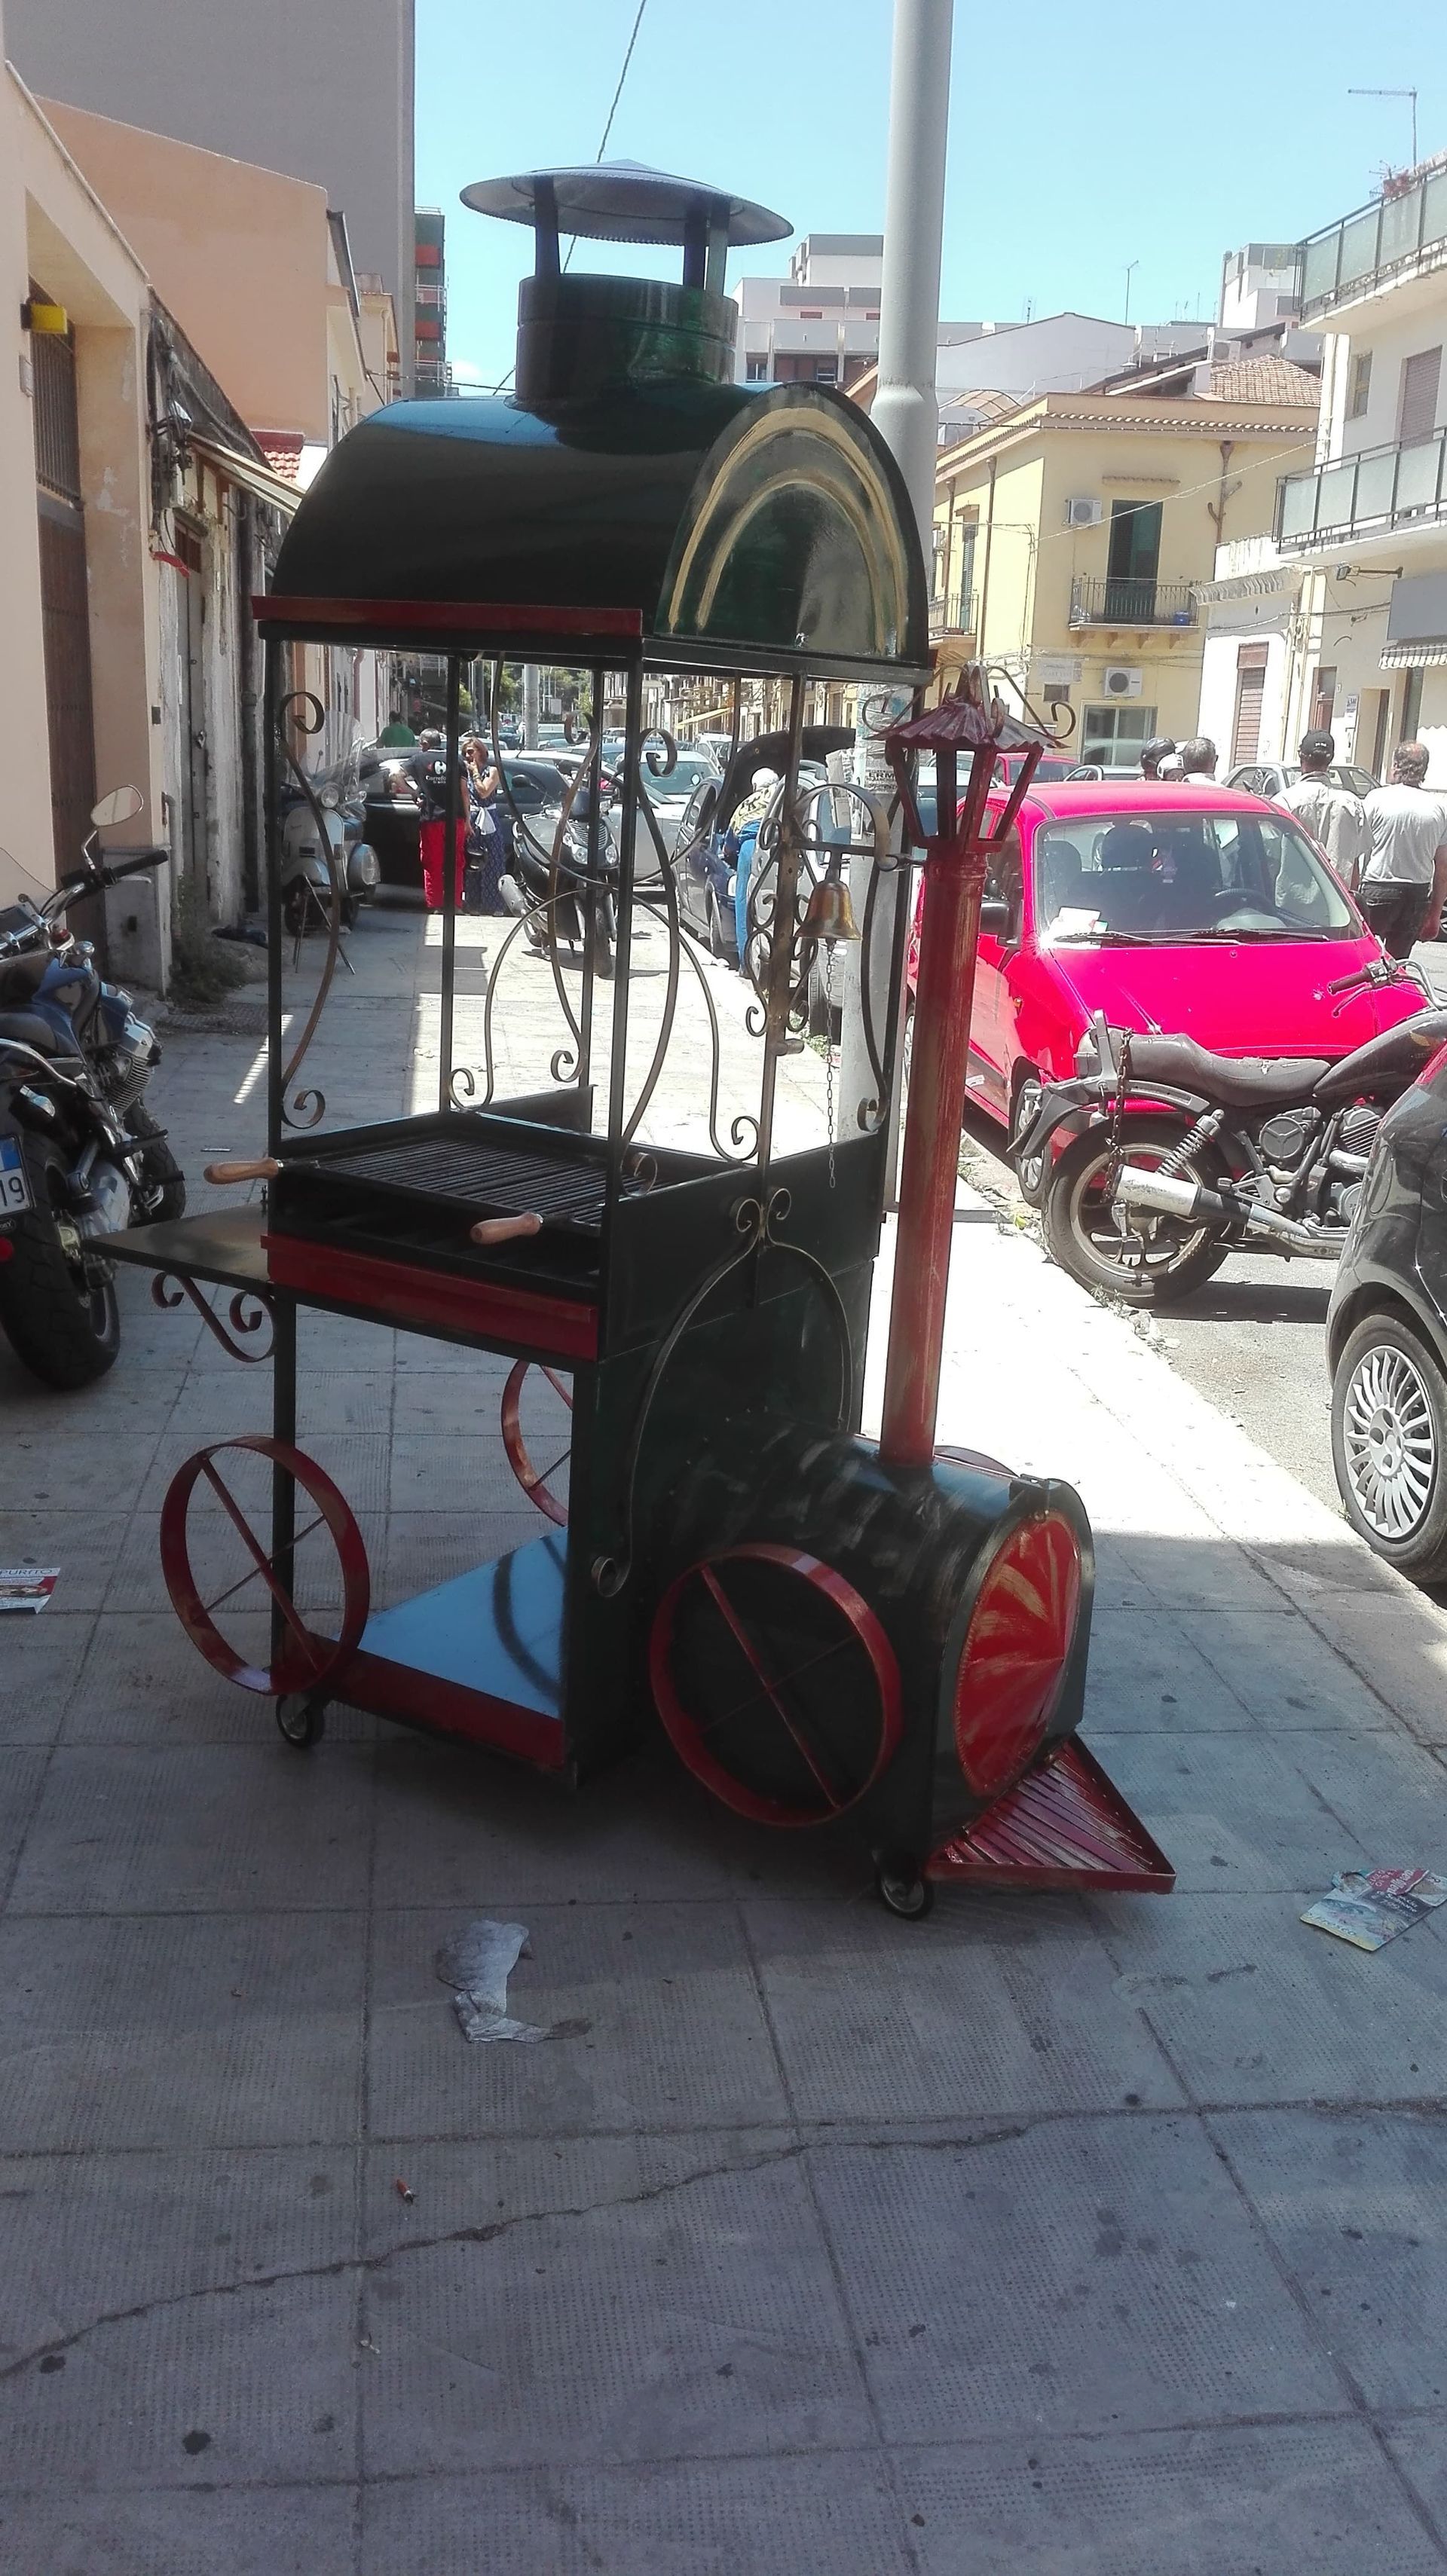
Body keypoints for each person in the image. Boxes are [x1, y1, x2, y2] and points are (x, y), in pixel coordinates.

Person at [1359, 741, 1447, 957]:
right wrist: (1435, 914)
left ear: (1397, 766)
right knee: (1398, 962)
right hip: (1417, 894)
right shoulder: (1438, 808)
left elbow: (1357, 849)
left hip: (1378, 886)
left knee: (1364, 955)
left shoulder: (1376, 799)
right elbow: (1443, 868)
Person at [1277, 729, 1369, 888]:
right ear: (1330, 759)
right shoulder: (1351, 804)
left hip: (1290, 903)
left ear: (1301, 757)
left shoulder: (1283, 802)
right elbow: (1355, 865)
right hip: (1337, 903)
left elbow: (1271, 856)